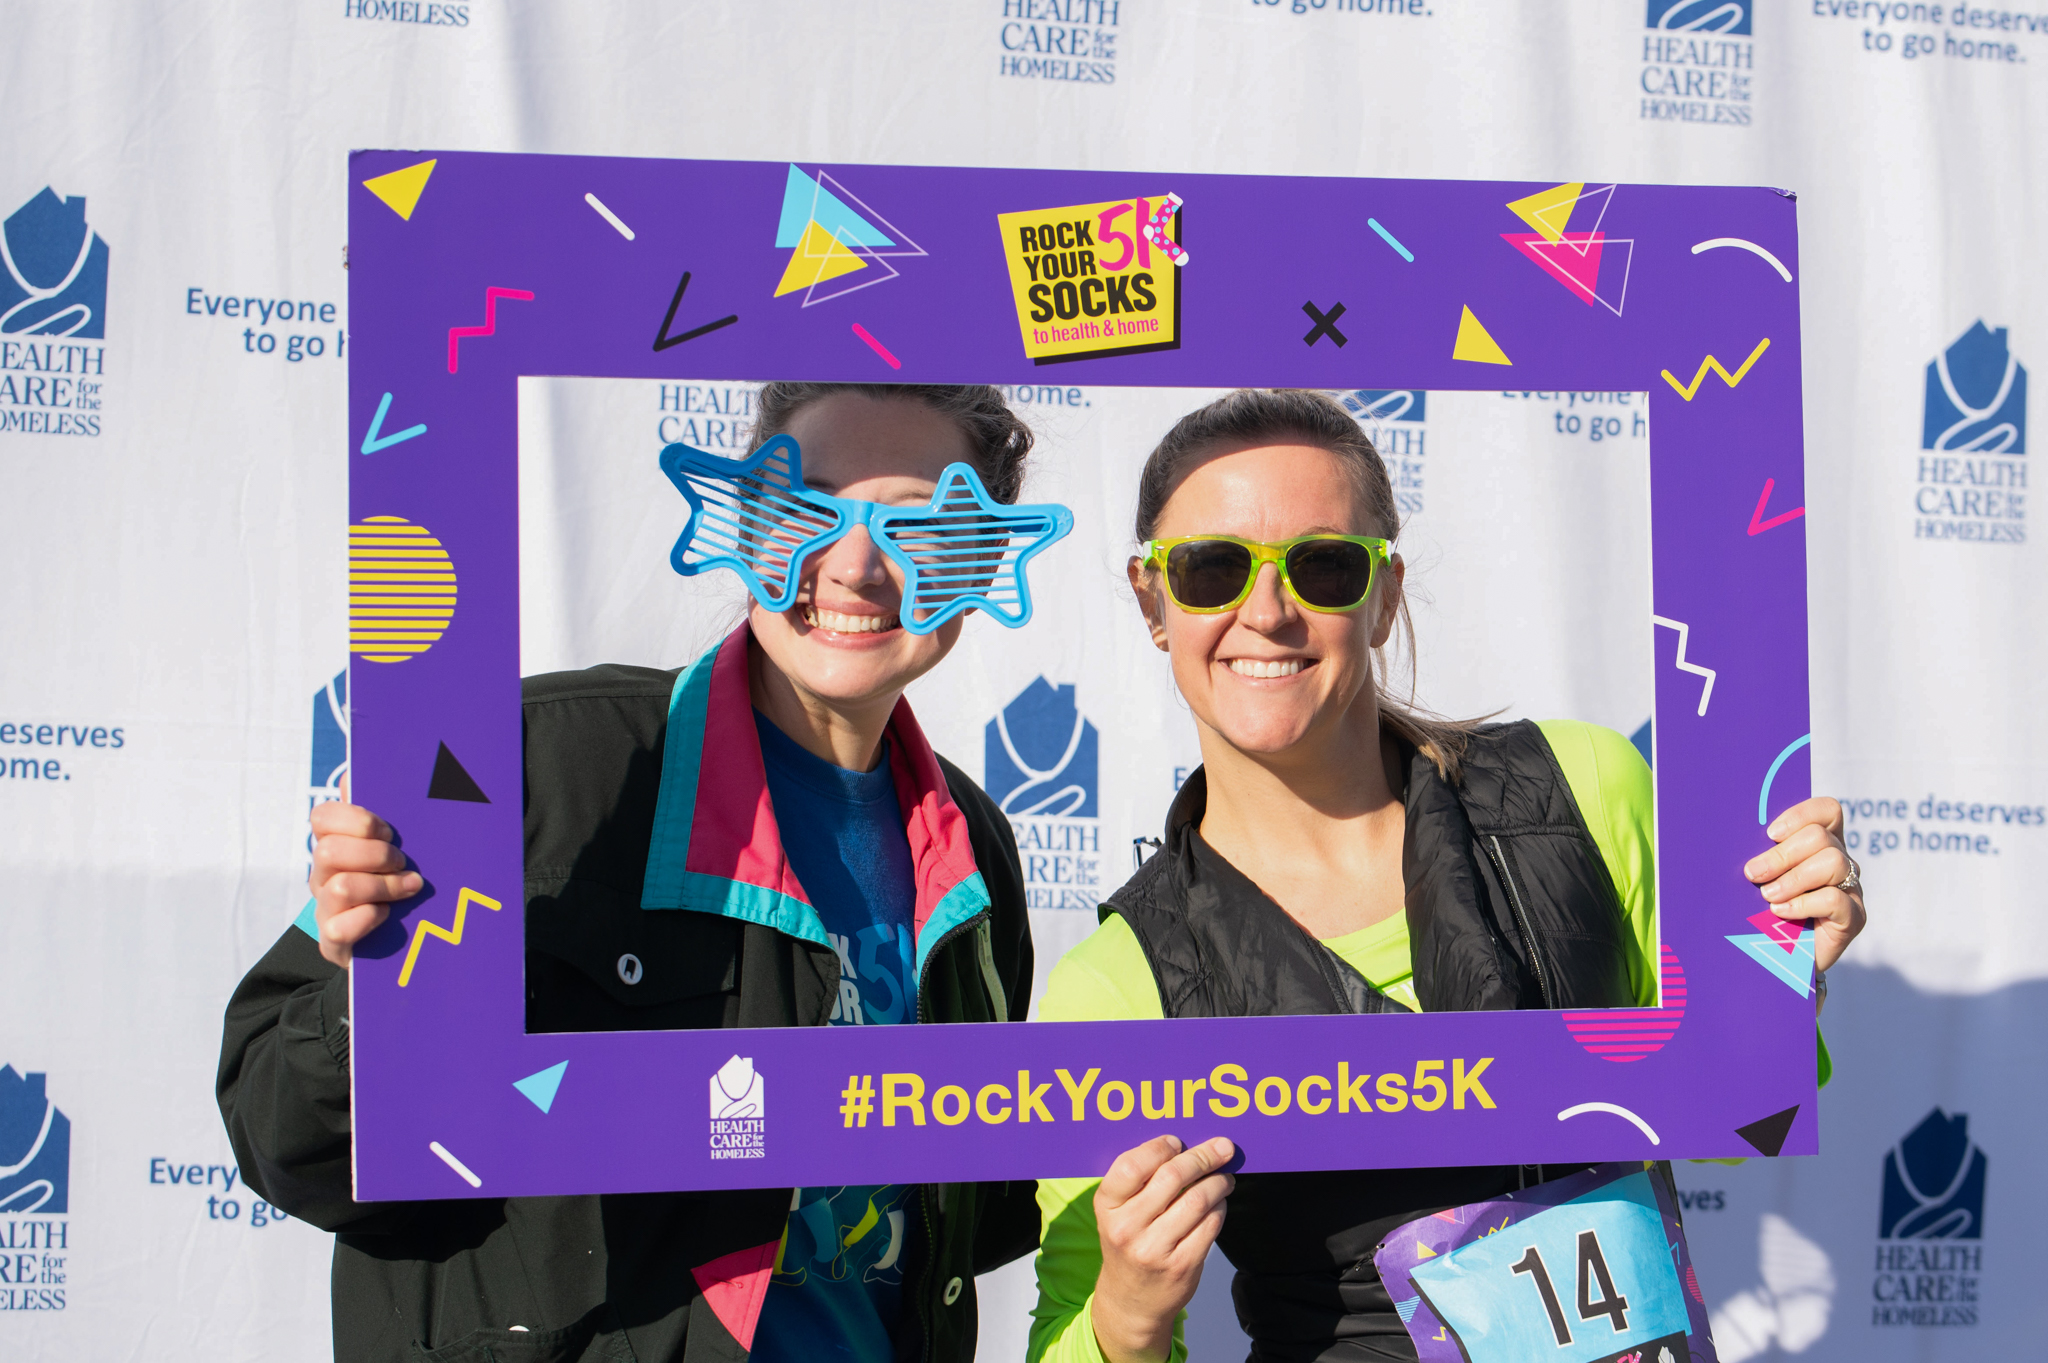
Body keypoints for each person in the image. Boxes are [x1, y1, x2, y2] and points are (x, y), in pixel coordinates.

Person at [1026, 389, 1868, 1363]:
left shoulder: (1586, 789)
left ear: (1382, 596)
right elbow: (1064, 1331)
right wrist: (1128, 1315)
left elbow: (1734, 1121)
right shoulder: (1117, 983)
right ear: (1150, 599)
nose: (1265, 611)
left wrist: (1778, 973)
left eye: (1323, 566)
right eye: (1210, 569)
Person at [218, 383, 1046, 1363]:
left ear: (985, 558)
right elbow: (291, 1145)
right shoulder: (536, 763)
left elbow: (952, 1212)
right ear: (745, 526)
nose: (856, 565)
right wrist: (374, 990)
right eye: (807, 508)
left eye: (916, 524)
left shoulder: (970, 841)